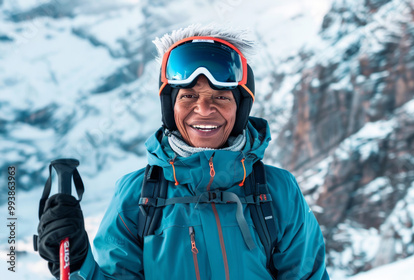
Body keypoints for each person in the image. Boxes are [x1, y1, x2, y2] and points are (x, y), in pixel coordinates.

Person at [36, 24, 330, 280]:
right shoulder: (137, 195)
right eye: (188, 95)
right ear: (170, 106)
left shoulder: (277, 191)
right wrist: (77, 263)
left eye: (220, 97)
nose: (203, 109)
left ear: (240, 108)